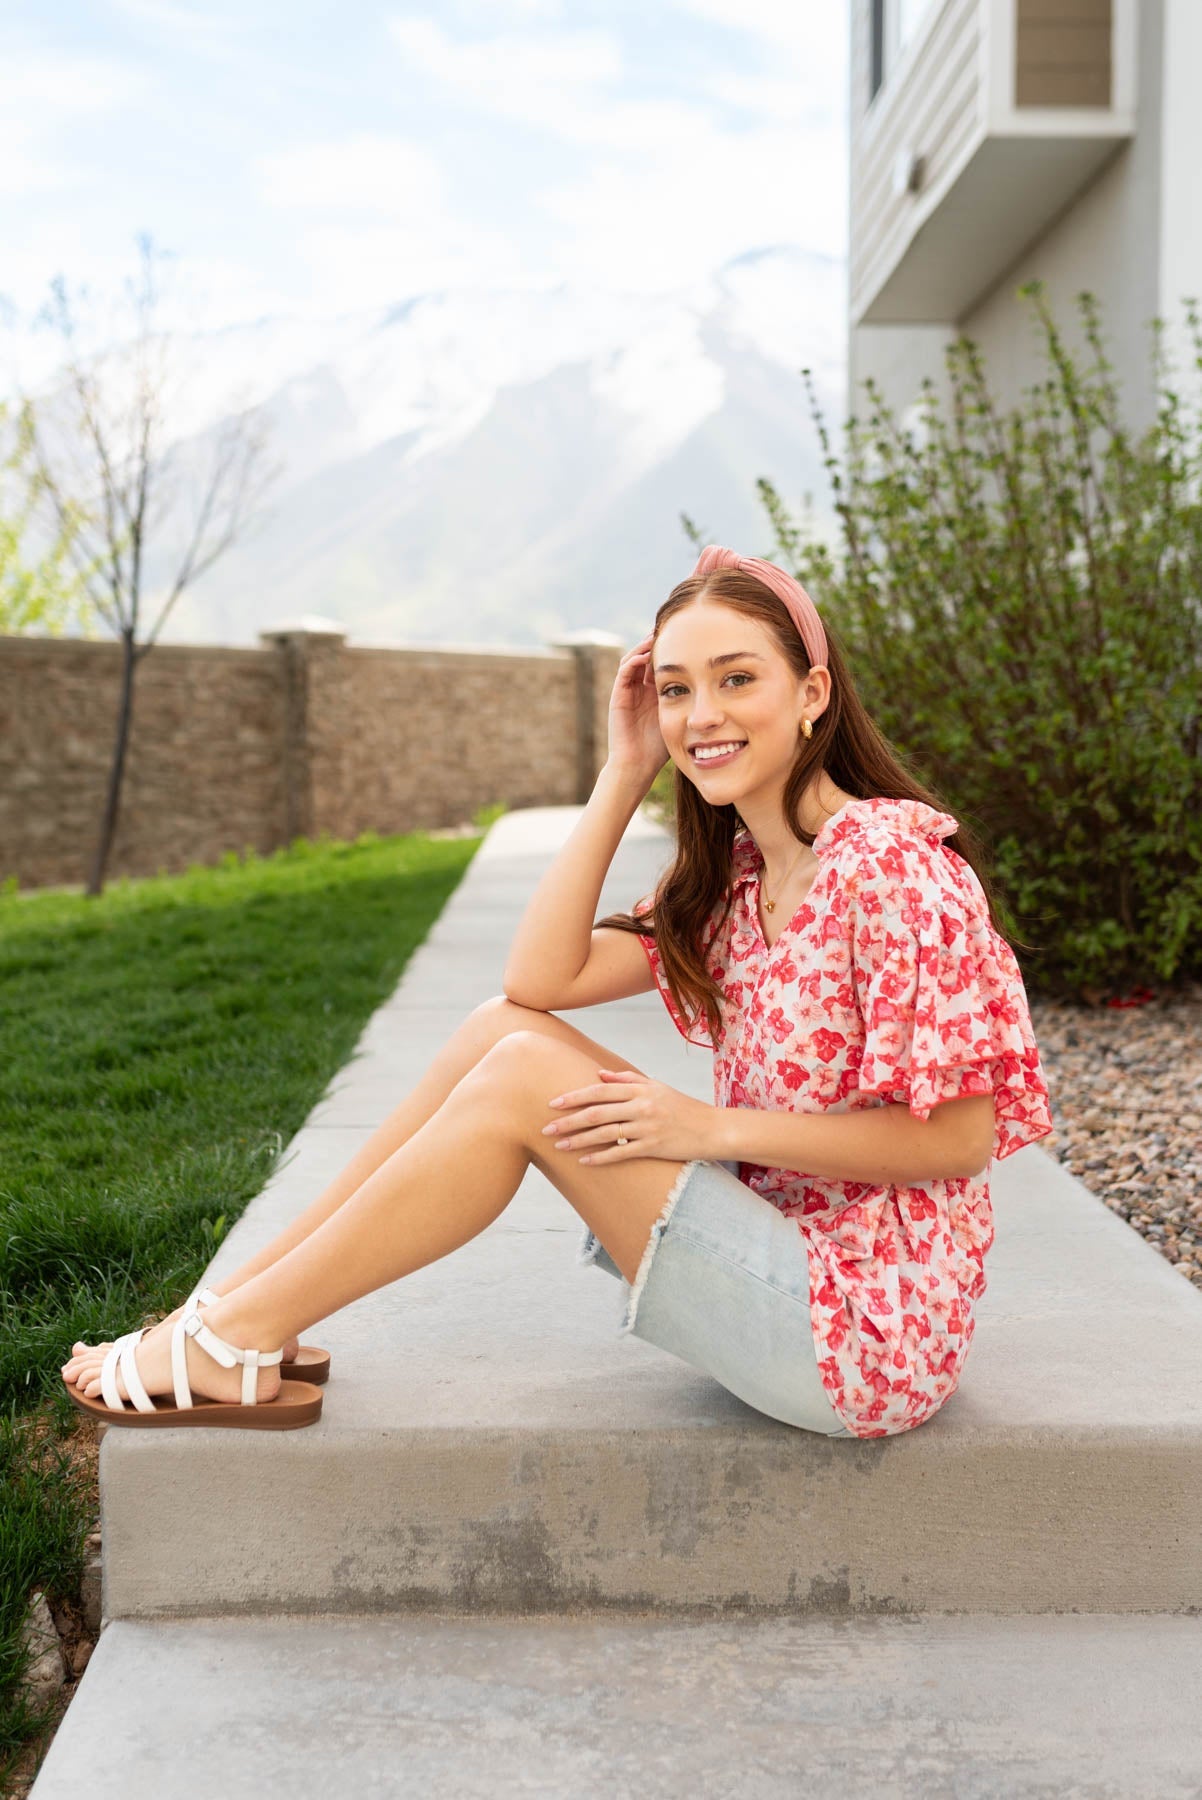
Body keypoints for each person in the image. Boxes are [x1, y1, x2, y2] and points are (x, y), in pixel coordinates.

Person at [62, 545, 1053, 1439]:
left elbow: (956, 1140)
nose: (700, 715)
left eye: (735, 679)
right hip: (779, 1258)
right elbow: (537, 981)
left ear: (811, 693)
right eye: (674, 691)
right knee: (502, 1031)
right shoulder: (742, 878)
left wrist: (705, 1130)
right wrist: (623, 771)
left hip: (863, 1333)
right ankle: (233, 1313)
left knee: (522, 1074)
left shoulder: (891, 871)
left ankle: (233, 1336)